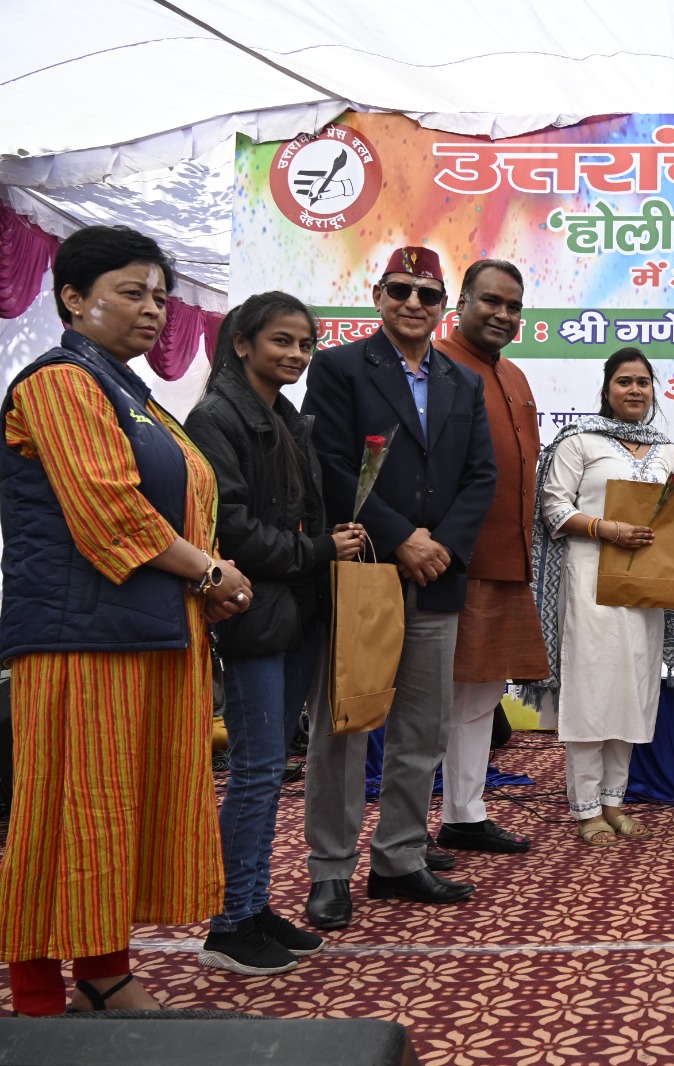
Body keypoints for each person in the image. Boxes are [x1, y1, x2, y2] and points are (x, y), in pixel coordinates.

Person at [0, 225, 252, 1015]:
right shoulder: (60, 383)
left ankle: (103, 975)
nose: (153, 310)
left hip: (147, 630)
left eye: (162, 298)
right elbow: (108, 510)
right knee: (62, 811)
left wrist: (207, 579)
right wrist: (208, 570)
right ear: (74, 299)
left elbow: (178, 508)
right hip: (80, 638)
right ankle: (36, 994)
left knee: (110, 814)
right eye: (133, 293)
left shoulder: (129, 394)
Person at [300, 245, 496, 929]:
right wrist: (402, 538)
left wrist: (440, 547)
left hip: (436, 574)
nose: (414, 303)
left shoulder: (462, 381)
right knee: (343, 724)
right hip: (364, 570)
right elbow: (328, 465)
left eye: (427, 294)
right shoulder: (340, 367)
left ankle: (399, 857)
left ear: (444, 307)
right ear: (378, 296)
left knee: (422, 728)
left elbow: (481, 476)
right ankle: (330, 868)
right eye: (401, 290)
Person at [184, 293, 365, 975]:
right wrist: (318, 550)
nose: (295, 354)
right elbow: (229, 529)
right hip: (254, 612)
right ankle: (230, 923)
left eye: (304, 344)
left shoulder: (285, 416)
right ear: (242, 343)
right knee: (256, 771)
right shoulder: (216, 417)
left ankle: (254, 906)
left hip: (294, 610)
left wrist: (322, 542)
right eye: (281, 341)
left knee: (264, 769)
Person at [534, 347, 674, 844]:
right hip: (588, 582)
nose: (634, 390)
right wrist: (606, 528)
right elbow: (552, 508)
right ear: (606, 389)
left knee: (632, 693)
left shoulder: (666, 451)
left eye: (643, 382)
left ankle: (614, 802)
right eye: (624, 381)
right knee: (592, 692)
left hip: (645, 590)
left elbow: (667, 514)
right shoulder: (578, 440)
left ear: (653, 391)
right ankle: (586, 808)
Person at [431, 259, 549, 858]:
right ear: (461, 303)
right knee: (436, 699)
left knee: (479, 696)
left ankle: (465, 814)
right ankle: (408, 831)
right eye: (491, 301)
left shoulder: (515, 375)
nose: (503, 314)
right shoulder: (434, 366)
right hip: (448, 562)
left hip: (506, 559)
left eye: (514, 306)